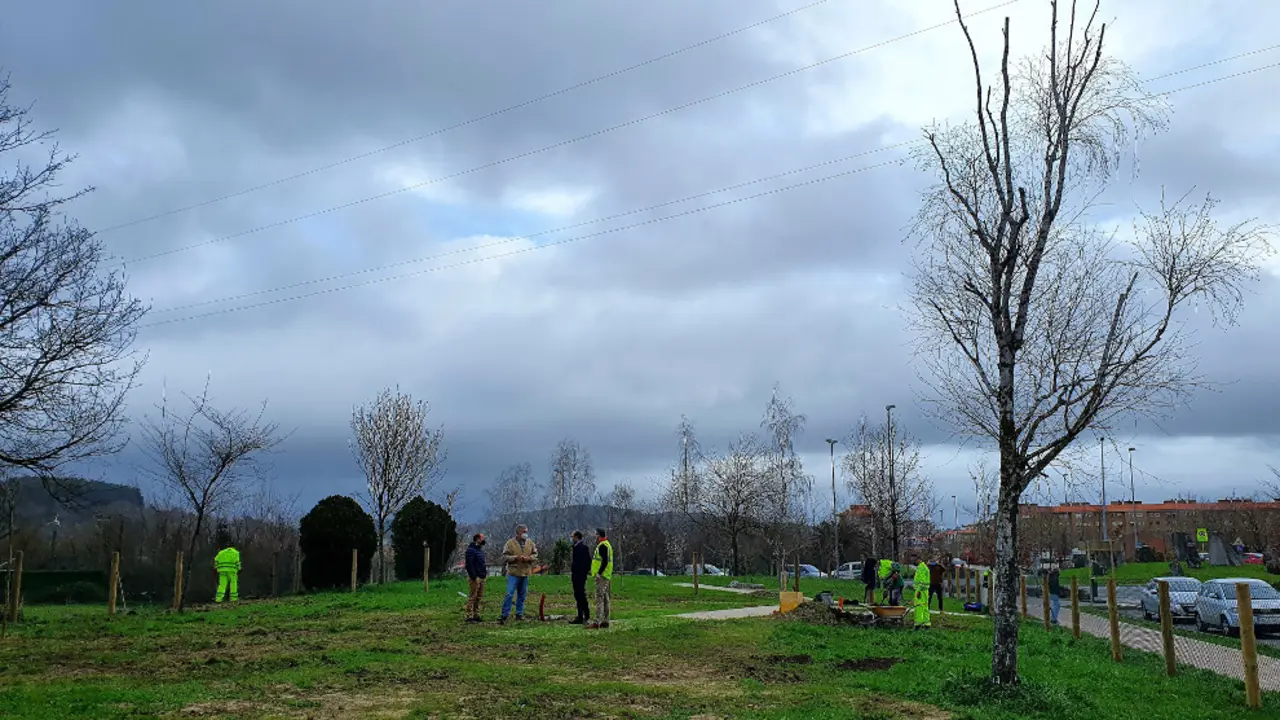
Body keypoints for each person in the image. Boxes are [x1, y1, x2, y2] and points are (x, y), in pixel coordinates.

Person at [499, 524, 538, 625]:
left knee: (522, 594)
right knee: (509, 594)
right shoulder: (510, 543)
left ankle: (519, 614)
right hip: (513, 573)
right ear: (519, 532)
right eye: (524, 532)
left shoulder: (530, 543)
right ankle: (504, 614)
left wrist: (529, 558)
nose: (526, 534)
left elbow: (535, 554)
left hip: (525, 572)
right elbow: (504, 557)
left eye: (526, 532)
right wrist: (515, 558)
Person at [586, 528, 613, 630]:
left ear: (599, 536)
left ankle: (597, 622)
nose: (595, 537)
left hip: (602, 576)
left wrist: (599, 573)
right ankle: (606, 621)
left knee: (599, 598)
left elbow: (604, 561)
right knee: (605, 598)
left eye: (596, 535)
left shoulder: (602, 546)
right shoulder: (607, 544)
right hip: (607, 575)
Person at [464, 533, 488, 623]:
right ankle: (469, 616)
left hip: (482, 577)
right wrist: (474, 577)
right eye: (482, 538)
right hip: (475, 578)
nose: (484, 540)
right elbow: (469, 565)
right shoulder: (471, 550)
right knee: (472, 596)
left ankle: (476, 615)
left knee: (478, 597)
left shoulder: (480, 550)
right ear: (477, 539)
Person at [570, 530, 591, 625]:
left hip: (580, 575)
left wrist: (582, 572)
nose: (571, 538)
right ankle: (580, 616)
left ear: (576, 537)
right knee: (577, 595)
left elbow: (587, 562)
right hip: (575, 575)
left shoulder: (583, 548)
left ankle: (586, 615)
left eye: (572, 537)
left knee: (581, 595)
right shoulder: (575, 547)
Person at [213, 539, 241, 603]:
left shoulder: (221, 553)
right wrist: (239, 568)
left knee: (222, 585)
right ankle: (233, 599)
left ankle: (218, 599)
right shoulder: (236, 553)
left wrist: (216, 567)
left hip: (222, 571)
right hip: (232, 571)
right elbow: (237, 562)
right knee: (233, 584)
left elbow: (216, 561)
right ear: (233, 547)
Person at [911, 554, 931, 628]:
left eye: (914, 560)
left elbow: (921, 581)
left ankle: (918, 624)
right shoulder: (924, 567)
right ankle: (926, 623)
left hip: (920, 590)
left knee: (919, 606)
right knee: (925, 606)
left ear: (918, 559)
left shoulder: (921, 568)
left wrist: (918, 591)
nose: (913, 561)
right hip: (924, 590)